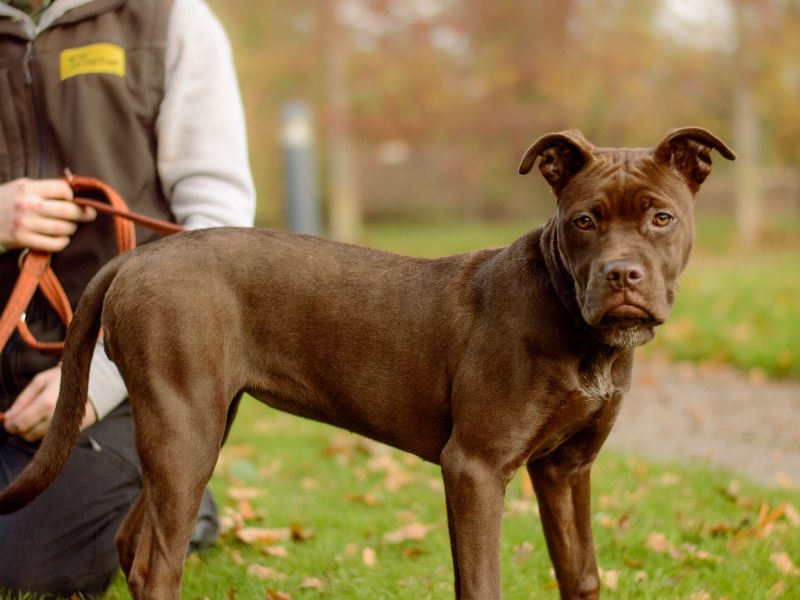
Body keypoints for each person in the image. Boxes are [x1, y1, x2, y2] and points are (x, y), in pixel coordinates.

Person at [0, 0, 256, 596]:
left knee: (21, 570)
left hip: (122, 381)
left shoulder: (170, 20)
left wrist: (95, 382)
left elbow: (218, 233)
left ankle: (169, 487)